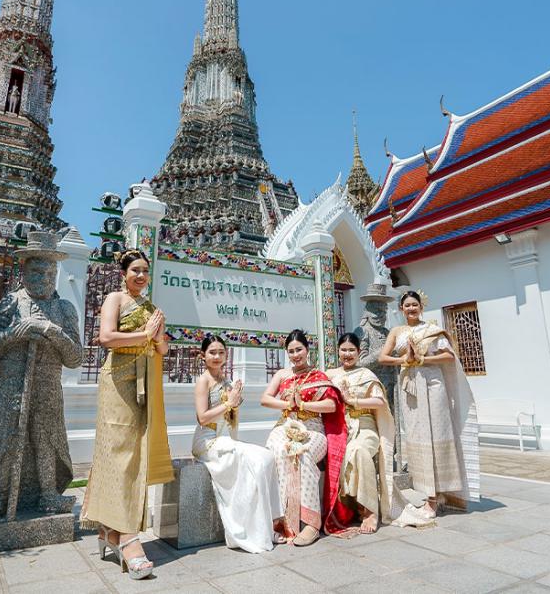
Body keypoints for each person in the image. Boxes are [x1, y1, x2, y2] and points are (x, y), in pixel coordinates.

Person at [0, 230, 83, 521]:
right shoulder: (10, 304)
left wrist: (53, 332)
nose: (44, 278)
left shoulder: (63, 309)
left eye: (50, 273)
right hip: (12, 384)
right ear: (24, 272)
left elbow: (75, 358)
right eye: (37, 271)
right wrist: (14, 333)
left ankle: (48, 493)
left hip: (48, 385)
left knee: (46, 440)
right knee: (7, 438)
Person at [80, 249, 174, 580]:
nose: (141, 276)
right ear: (124, 273)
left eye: (145, 270)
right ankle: (128, 538)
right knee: (118, 455)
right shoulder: (115, 299)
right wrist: (145, 335)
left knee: (134, 456)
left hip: (144, 381)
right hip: (118, 381)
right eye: (135, 270)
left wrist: (157, 337)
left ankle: (110, 530)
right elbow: (106, 338)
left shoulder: (151, 308)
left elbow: (163, 348)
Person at [378, 290, 478, 522]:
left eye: (415, 304)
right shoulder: (397, 331)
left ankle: (438, 496)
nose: (411, 308)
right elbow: (383, 357)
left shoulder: (432, 330)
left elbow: (448, 357)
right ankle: (429, 493)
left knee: (438, 434)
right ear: (401, 309)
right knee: (418, 436)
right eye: (407, 305)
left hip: (433, 384)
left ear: (421, 307)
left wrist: (423, 359)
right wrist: (404, 360)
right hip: (410, 387)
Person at [191, 334, 284, 552]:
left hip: (226, 439)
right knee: (254, 461)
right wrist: (229, 403)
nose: (217, 356)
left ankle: (268, 524)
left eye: (221, 352)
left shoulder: (227, 381)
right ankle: (247, 529)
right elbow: (202, 418)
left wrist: (234, 400)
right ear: (203, 356)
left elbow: (230, 417)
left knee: (266, 458)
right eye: (212, 352)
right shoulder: (203, 381)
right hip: (208, 440)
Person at [262, 330, 351, 545]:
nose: (295, 355)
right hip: (286, 424)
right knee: (278, 451)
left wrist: (303, 405)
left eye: (299, 350)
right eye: (291, 351)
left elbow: (331, 405)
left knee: (303, 453)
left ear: (307, 349)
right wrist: (289, 405)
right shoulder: (282, 375)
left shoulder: (319, 376)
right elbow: (265, 399)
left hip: (313, 428)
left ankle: (311, 523)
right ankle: (282, 520)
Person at [326, 332, 394, 534]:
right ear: (338, 351)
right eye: (343, 350)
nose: (347, 354)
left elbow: (379, 401)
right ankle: (351, 505)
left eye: (351, 350)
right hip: (340, 427)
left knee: (357, 450)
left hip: (364, 425)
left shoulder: (366, 375)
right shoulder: (331, 375)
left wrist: (353, 401)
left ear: (358, 352)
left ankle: (370, 509)